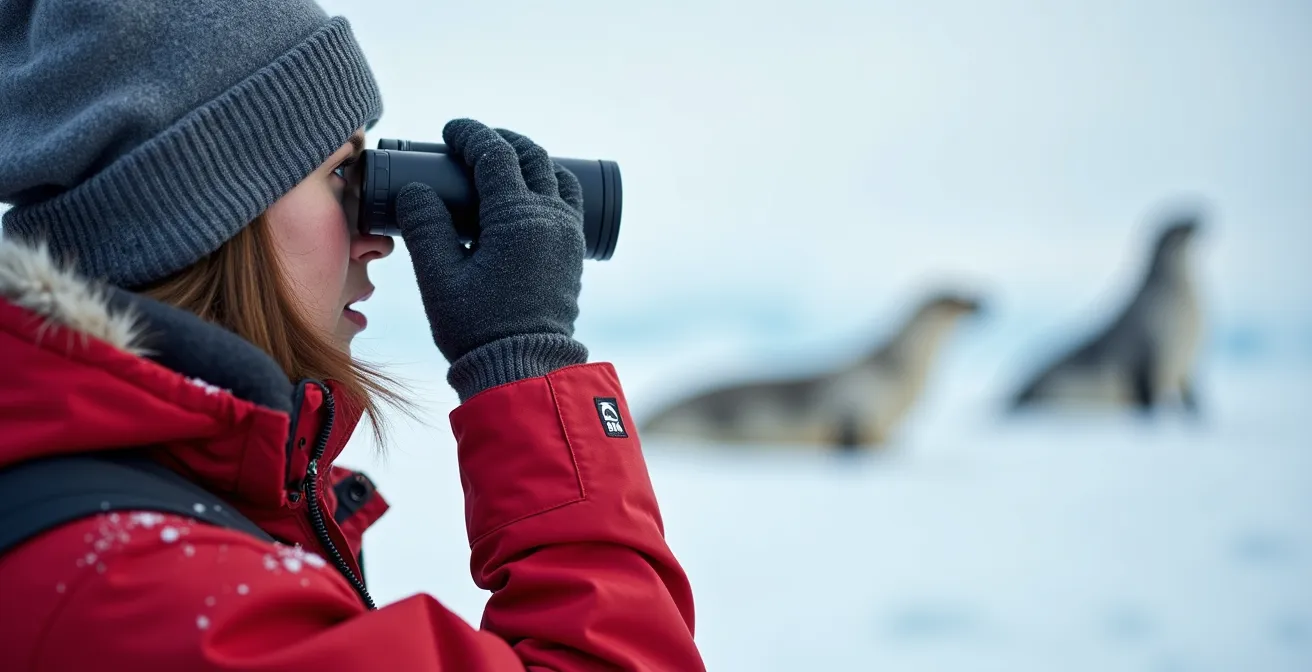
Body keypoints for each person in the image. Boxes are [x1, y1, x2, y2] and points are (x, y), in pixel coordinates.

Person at [0, 0, 705, 669]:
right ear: (206, 207)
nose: (378, 238)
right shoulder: (157, 596)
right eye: (343, 174)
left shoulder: (125, 522)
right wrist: (525, 361)